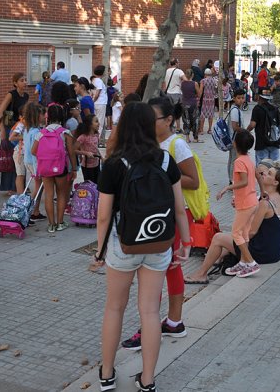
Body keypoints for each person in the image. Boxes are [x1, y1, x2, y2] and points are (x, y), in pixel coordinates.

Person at [92, 101, 191, 392]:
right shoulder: (164, 160)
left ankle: (107, 374)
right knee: (149, 311)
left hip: (123, 244)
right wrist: (185, 242)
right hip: (159, 243)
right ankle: (147, 380)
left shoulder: (113, 163)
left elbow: (103, 216)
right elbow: (179, 208)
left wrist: (99, 252)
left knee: (114, 308)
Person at [121, 97, 202, 352]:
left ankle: (160, 324)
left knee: (165, 268)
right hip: (156, 215)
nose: (146, 123)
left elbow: (193, 180)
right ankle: (168, 323)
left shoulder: (177, 145)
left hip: (176, 214)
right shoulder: (149, 143)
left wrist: (159, 181)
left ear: (168, 120)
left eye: (151, 118)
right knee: (161, 269)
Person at [183, 162, 280, 285]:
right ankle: (216, 260)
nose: (264, 173)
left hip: (262, 252)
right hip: (274, 251)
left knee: (218, 238)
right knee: (230, 238)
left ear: (275, 183)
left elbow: (252, 232)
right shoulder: (277, 197)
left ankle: (201, 274)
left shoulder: (265, 203)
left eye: (269, 173)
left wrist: (238, 240)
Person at [216, 129, 261, 278]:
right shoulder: (248, 159)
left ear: (235, 144)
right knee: (244, 233)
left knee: (236, 233)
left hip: (246, 204)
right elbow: (252, 179)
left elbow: (243, 181)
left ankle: (251, 262)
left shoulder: (239, 161)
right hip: (251, 201)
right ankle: (243, 263)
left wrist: (227, 188)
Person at [32, 104, 77, 233]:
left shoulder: (41, 133)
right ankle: (60, 222)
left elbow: (33, 151)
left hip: (45, 168)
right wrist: (74, 169)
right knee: (61, 194)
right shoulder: (65, 132)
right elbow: (71, 152)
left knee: (49, 195)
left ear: (49, 116)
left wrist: (46, 157)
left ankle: (51, 225)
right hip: (60, 168)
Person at [0, 72, 30, 194]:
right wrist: (2, 130)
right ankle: (10, 187)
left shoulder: (26, 96)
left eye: (25, 80)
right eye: (22, 80)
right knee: (10, 158)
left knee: (21, 156)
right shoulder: (11, 94)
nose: (24, 82)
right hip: (10, 128)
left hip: (20, 127)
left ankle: (20, 185)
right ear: (15, 83)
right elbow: (0, 111)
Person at [21, 102, 45, 223]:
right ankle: (28, 212)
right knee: (38, 187)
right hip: (35, 162)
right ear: (37, 116)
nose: (44, 116)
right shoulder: (36, 132)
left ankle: (35, 211)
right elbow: (35, 150)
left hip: (28, 160)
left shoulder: (28, 130)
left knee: (39, 186)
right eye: (42, 114)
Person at [248, 91, 280, 164]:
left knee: (262, 167)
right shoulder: (275, 108)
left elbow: (252, 125)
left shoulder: (257, 108)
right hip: (274, 142)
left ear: (259, 97)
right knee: (274, 166)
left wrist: (246, 131)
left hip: (262, 142)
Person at [225, 89, 246, 182]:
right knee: (234, 160)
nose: (241, 100)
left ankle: (231, 178)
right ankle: (233, 180)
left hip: (233, 138)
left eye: (242, 98)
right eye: (238, 98)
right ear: (234, 98)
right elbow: (235, 127)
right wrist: (245, 131)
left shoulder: (236, 109)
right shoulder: (235, 110)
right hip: (235, 139)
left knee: (232, 159)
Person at [75, 114, 101, 184]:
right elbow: (74, 150)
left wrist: (101, 157)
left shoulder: (97, 134)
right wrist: (85, 153)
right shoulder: (83, 137)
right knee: (89, 187)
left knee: (97, 185)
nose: (99, 123)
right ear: (90, 125)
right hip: (87, 166)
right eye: (96, 121)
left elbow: (96, 148)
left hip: (97, 164)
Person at [9, 108, 28, 194]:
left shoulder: (29, 124)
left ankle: (22, 193)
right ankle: (20, 197)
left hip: (25, 152)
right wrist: (25, 137)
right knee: (20, 175)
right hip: (20, 153)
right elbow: (11, 137)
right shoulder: (21, 124)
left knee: (22, 175)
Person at [180, 68, 201, 143]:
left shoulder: (182, 83)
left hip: (184, 103)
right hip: (193, 103)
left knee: (186, 120)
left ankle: (187, 138)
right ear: (192, 75)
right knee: (195, 120)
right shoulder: (195, 83)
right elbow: (199, 94)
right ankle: (195, 138)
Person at [197, 68, 218, 135]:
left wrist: (198, 99)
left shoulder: (203, 81)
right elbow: (216, 89)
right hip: (212, 99)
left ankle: (201, 130)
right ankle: (209, 129)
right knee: (211, 114)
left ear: (205, 74)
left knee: (203, 114)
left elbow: (200, 91)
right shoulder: (214, 80)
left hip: (205, 99)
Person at [92, 65, 108, 141]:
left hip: (98, 103)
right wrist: (94, 100)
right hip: (100, 103)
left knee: (96, 120)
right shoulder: (99, 81)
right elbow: (97, 93)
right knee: (100, 122)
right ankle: (96, 139)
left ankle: (95, 138)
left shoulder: (94, 80)